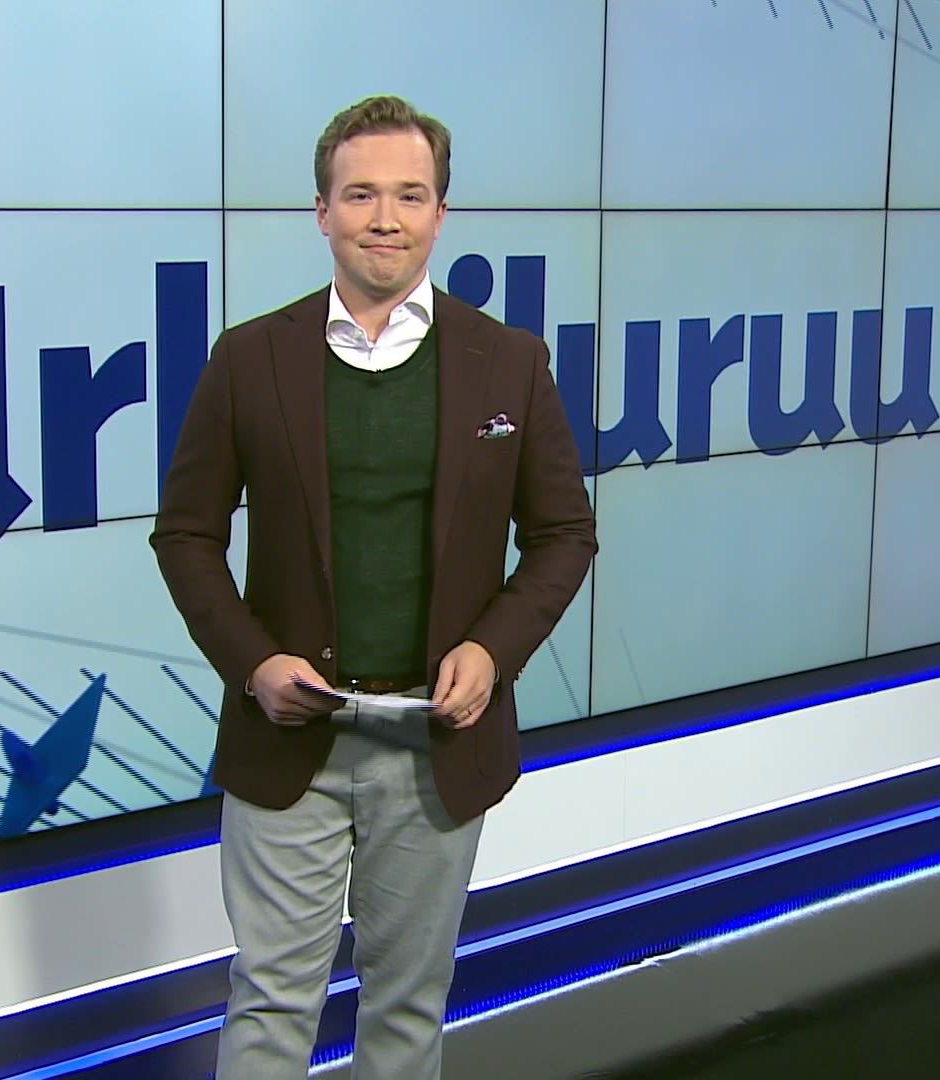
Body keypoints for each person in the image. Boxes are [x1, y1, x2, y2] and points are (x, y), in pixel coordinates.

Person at [149, 94, 597, 1079]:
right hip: (288, 742)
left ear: (441, 212)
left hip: (436, 742)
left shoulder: (509, 362)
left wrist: (493, 650)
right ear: (322, 211)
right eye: (360, 195)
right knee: (272, 1001)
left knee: (407, 1007)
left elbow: (566, 535)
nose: (384, 218)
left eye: (409, 195)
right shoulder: (249, 359)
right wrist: (254, 664)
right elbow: (185, 534)